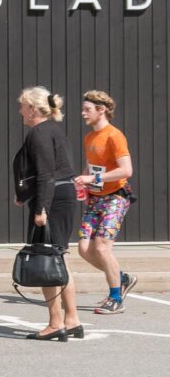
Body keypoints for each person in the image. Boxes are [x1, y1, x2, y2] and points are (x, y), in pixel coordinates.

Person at [12, 87, 82, 340]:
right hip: (63, 194)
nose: (20, 110)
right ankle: (71, 319)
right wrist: (26, 195)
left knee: (45, 259)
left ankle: (55, 323)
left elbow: (45, 172)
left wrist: (41, 207)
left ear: (32, 109)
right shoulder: (53, 129)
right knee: (58, 257)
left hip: (52, 199)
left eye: (23, 106)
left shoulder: (39, 132)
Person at [72, 90, 137, 314]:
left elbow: (126, 170)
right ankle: (122, 278)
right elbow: (91, 165)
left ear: (101, 110)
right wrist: (85, 182)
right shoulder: (89, 137)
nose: (83, 113)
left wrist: (94, 179)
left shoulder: (114, 136)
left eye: (87, 109)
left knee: (101, 247)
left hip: (116, 196)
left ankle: (115, 298)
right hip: (96, 198)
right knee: (84, 249)